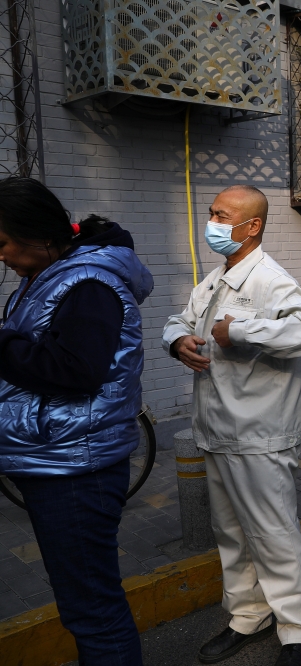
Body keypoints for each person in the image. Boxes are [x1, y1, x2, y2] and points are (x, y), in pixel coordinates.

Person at [163, 185, 301, 666]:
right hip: (215, 429)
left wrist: (243, 330)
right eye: (211, 212)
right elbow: (180, 319)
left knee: (272, 534)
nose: (212, 221)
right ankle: (248, 615)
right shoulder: (214, 280)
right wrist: (177, 342)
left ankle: (297, 629)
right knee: (230, 532)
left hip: (259, 433)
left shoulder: (271, 280)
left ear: (251, 226)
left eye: (221, 215)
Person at [0, 178, 152, 664]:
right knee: (85, 604)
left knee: (93, 612)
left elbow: (74, 371)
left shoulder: (88, 283)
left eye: (1, 242)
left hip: (76, 470)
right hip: (57, 458)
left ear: (36, 234)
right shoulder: (51, 274)